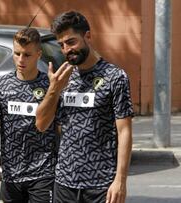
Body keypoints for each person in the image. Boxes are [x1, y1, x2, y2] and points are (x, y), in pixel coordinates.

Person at [35, 11, 134, 203]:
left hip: (102, 184)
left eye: (71, 42)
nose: (66, 50)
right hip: (64, 183)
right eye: (61, 45)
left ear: (88, 36)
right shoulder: (62, 78)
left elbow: (125, 132)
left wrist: (120, 181)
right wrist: (54, 90)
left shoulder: (115, 77)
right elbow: (40, 125)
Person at [0, 28, 59, 203]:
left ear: (39, 54)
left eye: (27, 55)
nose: (21, 59)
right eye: (17, 53)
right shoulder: (1, 85)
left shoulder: (50, 86)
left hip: (43, 174)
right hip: (11, 177)